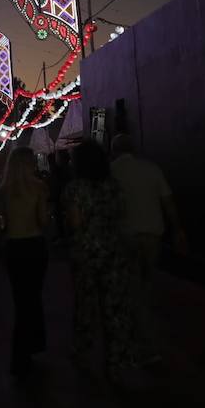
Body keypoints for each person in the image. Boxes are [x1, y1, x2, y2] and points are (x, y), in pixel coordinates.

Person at [63, 139, 139, 381]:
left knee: (85, 304)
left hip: (86, 251)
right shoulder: (113, 186)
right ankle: (117, 359)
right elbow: (121, 213)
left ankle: (83, 349)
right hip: (113, 248)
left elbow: (75, 223)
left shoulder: (75, 189)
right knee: (115, 306)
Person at [109, 132, 187, 363]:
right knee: (147, 282)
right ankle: (147, 332)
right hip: (153, 233)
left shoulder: (111, 172)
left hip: (125, 235)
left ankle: (141, 341)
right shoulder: (152, 168)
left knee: (131, 286)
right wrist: (178, 230)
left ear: (114, 150)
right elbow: (168, 202)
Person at [0, 146, 51, 377]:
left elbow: (1, 222)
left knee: (20, 299)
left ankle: (21, 352)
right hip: (34, 245)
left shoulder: (3, 190)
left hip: (13, 246)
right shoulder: (39, 188)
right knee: (33, 297)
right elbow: (43, 220)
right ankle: (28, 347)